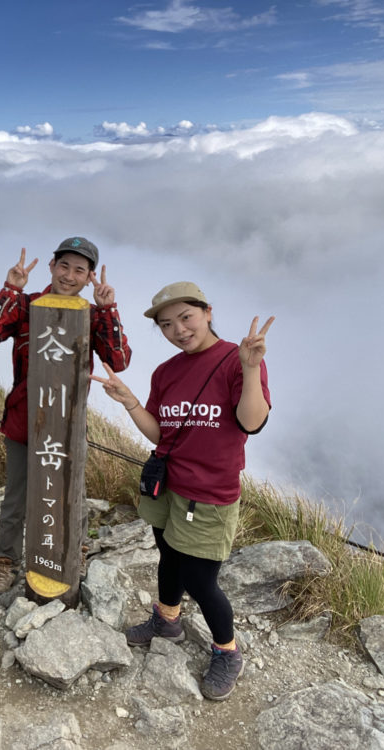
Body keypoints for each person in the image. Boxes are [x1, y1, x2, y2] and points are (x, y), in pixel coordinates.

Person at [91, 281, 274, 701]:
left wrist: (250, 368)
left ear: (207, 312)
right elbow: (161, 432)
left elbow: (251, 422)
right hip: (166, 485)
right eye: (167, 324)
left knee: (200, 579)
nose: (179, 329)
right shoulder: (166, 372)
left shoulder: (237, 359)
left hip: (209, 493)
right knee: (169, 557)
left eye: (186, 318)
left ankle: (227, 651)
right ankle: (166, 619)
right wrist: (130, 402)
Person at [0, 238, 131, 602]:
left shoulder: (92, 315)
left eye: (80, 270)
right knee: (16, 498)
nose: (70, 275)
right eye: (64, 266)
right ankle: (7, 560)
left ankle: (73, 552)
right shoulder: (27, 306)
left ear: (90, 276)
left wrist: (108, 310)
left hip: (69, 424)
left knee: (71, 491)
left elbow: (119, 361)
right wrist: (11, 288)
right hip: (22, 422)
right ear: (51, 266)